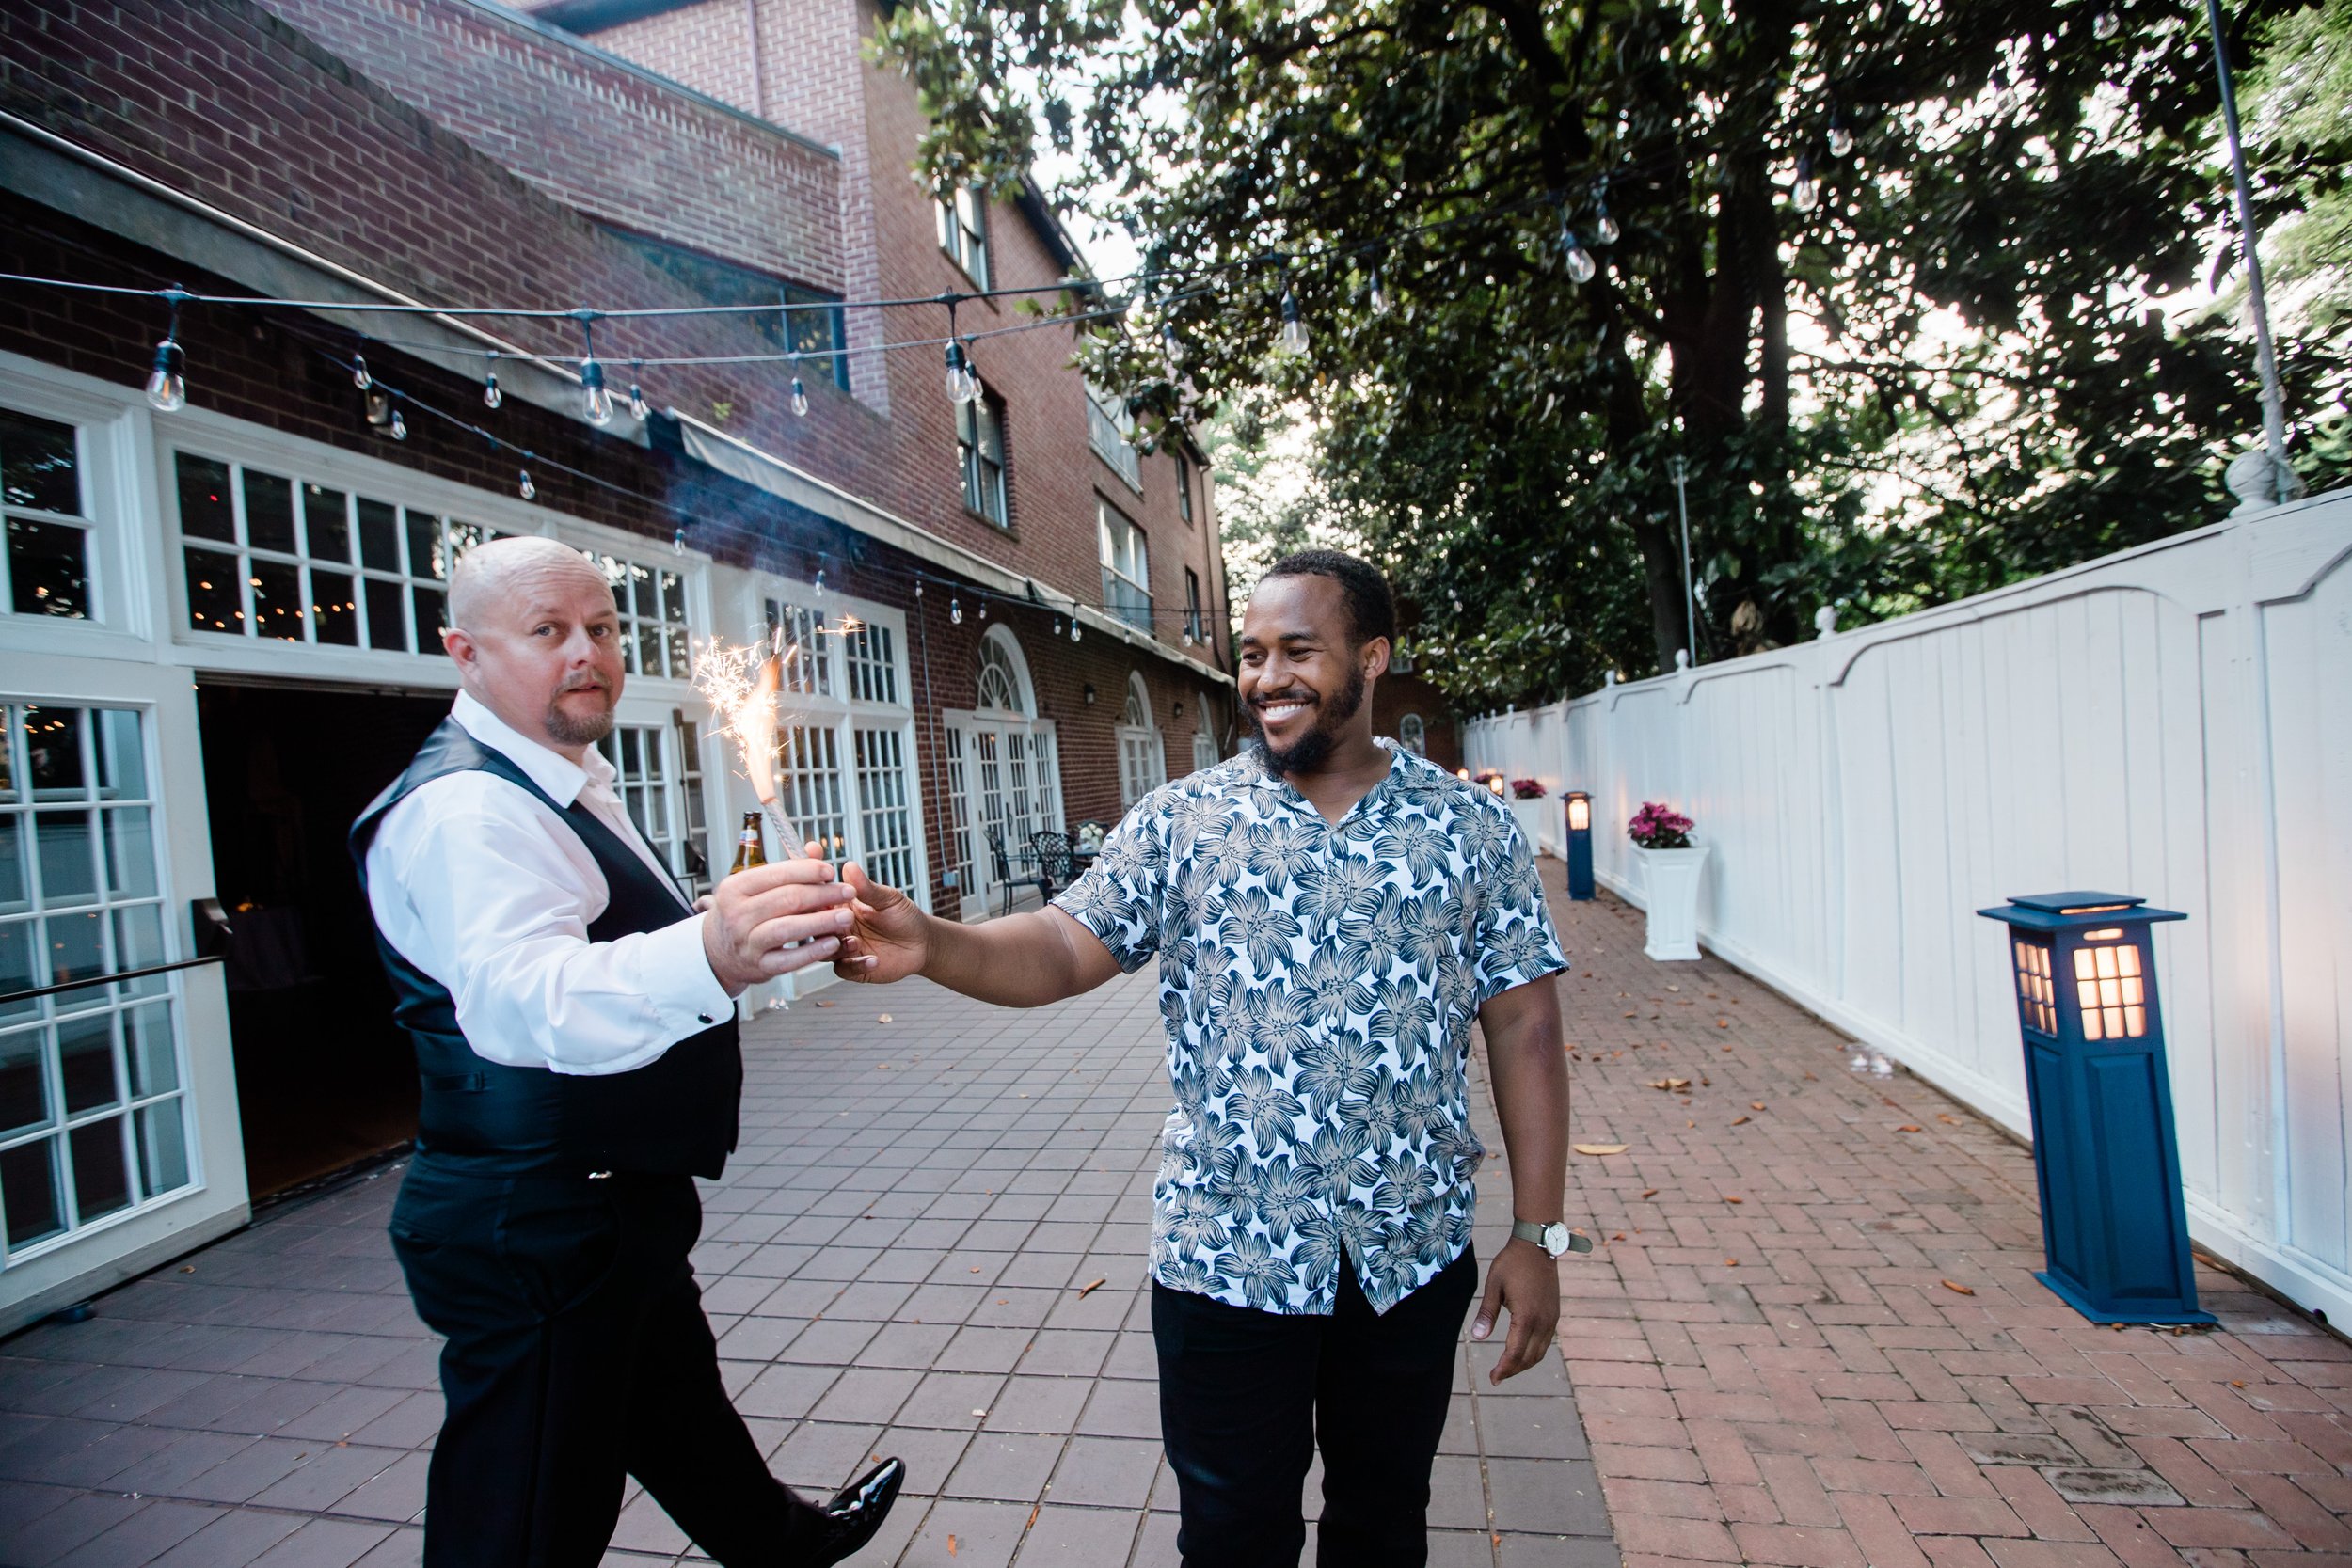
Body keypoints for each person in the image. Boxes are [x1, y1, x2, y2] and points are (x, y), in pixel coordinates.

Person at [828, 549, 1576, 1567]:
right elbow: (1058, 944)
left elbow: (1524, 1025)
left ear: (1373, 656)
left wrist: (1537, 1231)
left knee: (1384, 1518)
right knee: (1229, 1536)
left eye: (1298, 650)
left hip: (1406, 1248)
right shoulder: (1185, 821)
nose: (1267, 677)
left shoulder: (1469, 825)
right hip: (1226, 1253)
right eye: (1254, 654)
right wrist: (936, 945)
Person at [350, 535, 901, 1567]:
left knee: (674, 1403)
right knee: (525, 1512)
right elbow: (524, 1000)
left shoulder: (558, 779)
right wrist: (713, 947)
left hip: (607, 1202)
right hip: (535, 1221)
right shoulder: (468, 808)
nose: (587, 653)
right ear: (464, 651)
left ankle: (787, 1543)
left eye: (600, 628)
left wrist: (731, 926)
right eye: (548, 630)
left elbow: (596, 939)